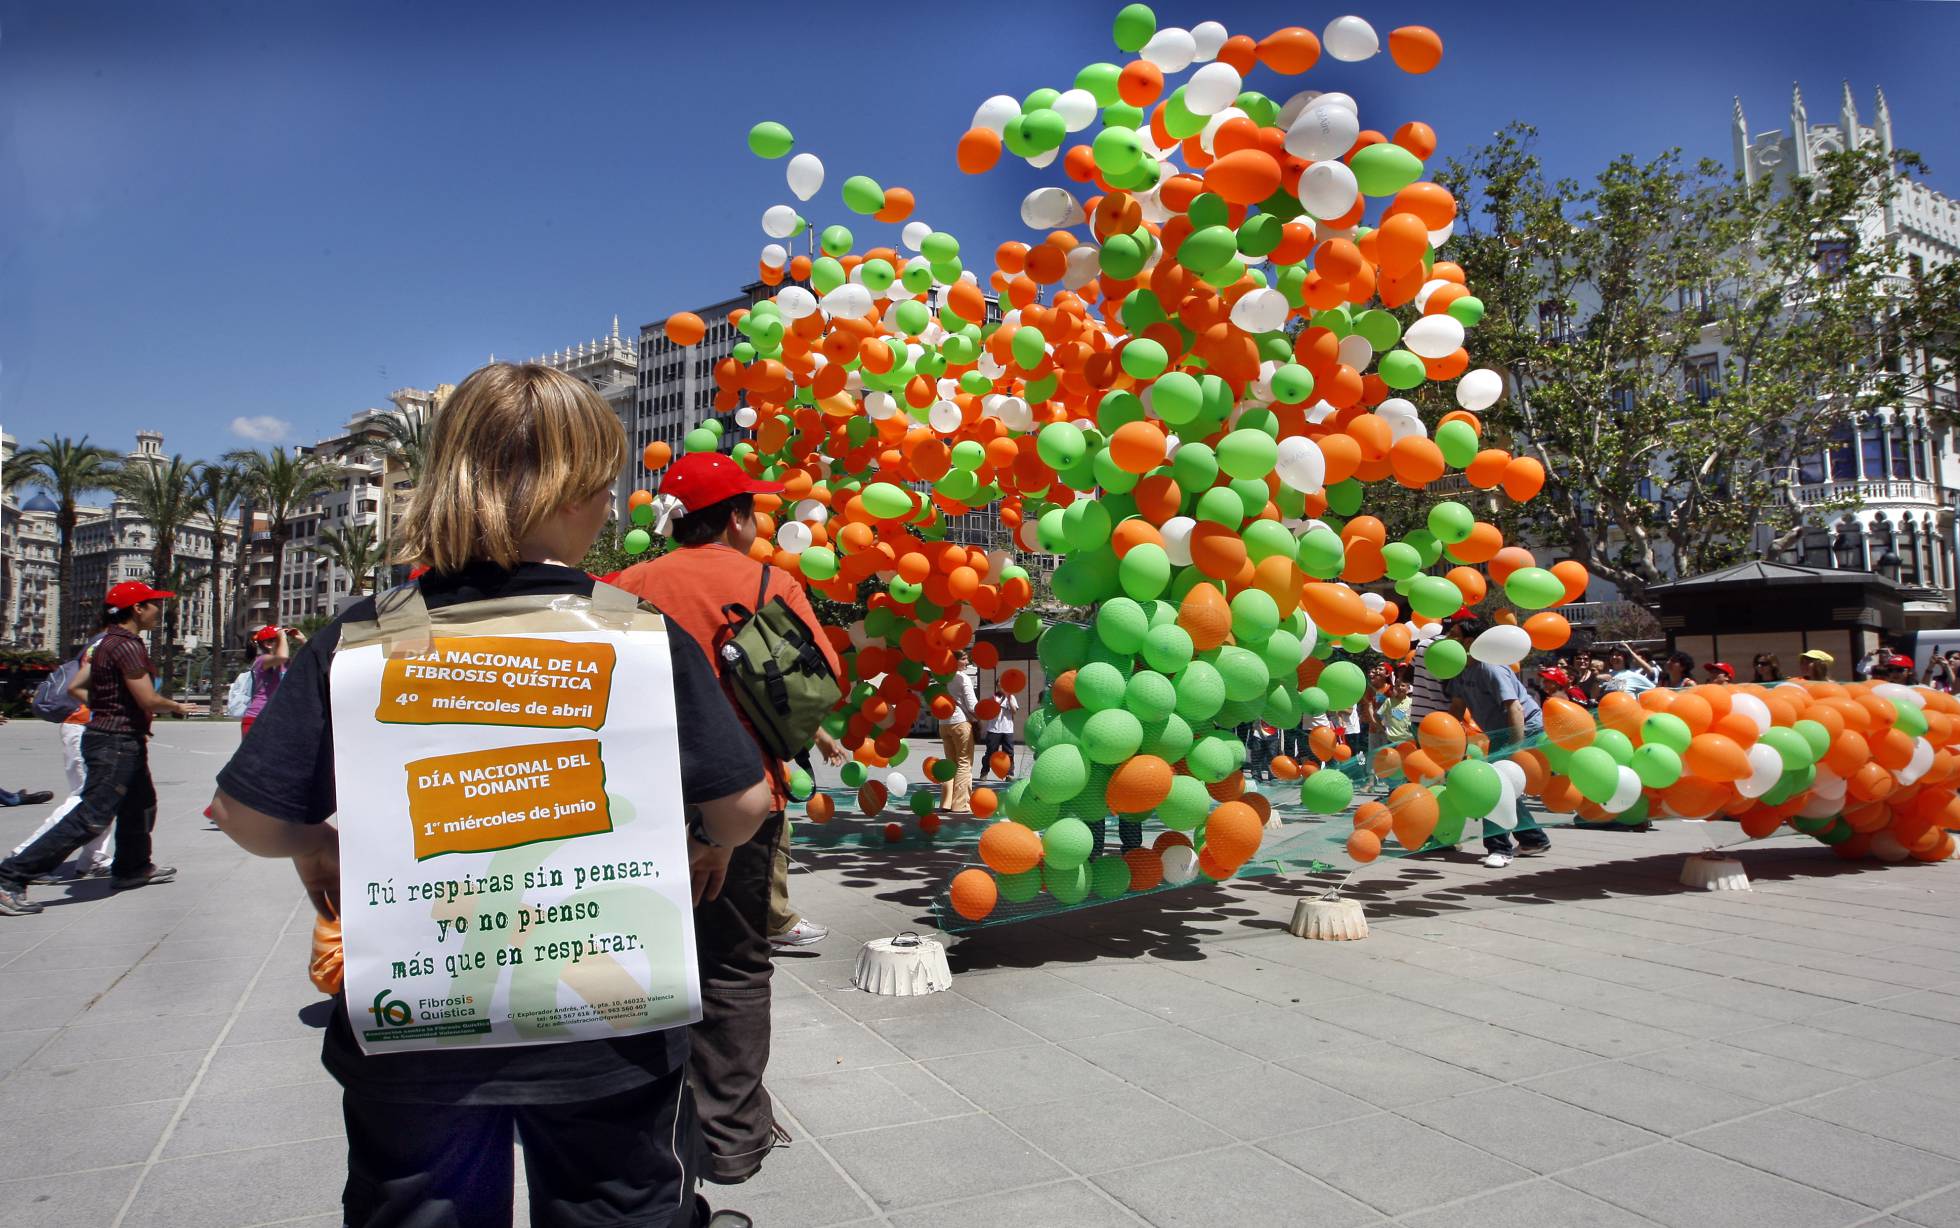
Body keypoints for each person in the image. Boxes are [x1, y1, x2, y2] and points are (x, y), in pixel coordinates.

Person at [208, 362, 773, 1228]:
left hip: (416, 1025)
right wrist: (713, 842)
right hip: (608, 1027)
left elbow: (248, 815)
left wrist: (320, 847)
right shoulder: (634, 633)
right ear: (578, 493)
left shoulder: (366, 636)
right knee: (616, 1205)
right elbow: (742, 805)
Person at [611, 446, 846, 1189]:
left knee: (638, 965)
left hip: (637, 806)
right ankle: (734, 1134)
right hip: (744, 802)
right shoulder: (771, 580)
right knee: (735, 966)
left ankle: (650, 1123)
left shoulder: (621, 586)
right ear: (739, 517)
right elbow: (825, 681)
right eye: (755, 511)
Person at [0, 582, 188, 914]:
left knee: (140, 805)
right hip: (115, 743)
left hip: (115, 736)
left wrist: (108, 706)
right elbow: (147, 699)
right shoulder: (127, 646)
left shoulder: (104, 643)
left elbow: (75, 686)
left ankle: (132, 868)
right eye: (154, 603)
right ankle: (10, 877)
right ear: (138, 609)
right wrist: (175, 706)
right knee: (92, 816)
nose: (160, 609)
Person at [1441, 616, 1549, 869]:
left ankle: (1499, 849)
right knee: (1505, 786)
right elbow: (1458, 707)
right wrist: (1447, 741)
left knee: (1493, 785)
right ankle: (1533, 838)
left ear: (1469, 642)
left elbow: (1514, 708)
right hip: (1499, 731)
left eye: (1453, 635)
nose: (1447, 639)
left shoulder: (1490, 667)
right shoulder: (1460, 669)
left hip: (1522, 727)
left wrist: (1515, 747)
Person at [938, 648, 979, 817]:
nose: (967, 662)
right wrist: (983, 714)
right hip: (961, 723)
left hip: (943, 723)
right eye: (964, 659)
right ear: (955, 660)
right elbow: (971, 705)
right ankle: (961, 804)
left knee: (950, 764)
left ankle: (946, 802)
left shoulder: (941, 678)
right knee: (964, 763)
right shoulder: (963, 678)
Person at [241, 625, 291, 738]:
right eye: (280, 640)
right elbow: (282, 656)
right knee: (253, 756)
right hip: (256, 718)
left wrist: (302, 640)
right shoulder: (262, 660)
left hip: (275, 718)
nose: (286, 643)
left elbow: (310, 662)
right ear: (268, 644)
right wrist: (282, 635)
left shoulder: (285, 664)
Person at [980, 682, 1019, 780]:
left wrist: (1009, 699)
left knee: (1009, 753)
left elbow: (1014, 711)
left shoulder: (1011, 697)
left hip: (1007, 729)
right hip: (993, 729)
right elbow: (987, 712)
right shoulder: (992, 697)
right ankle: (984, 771)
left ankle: (1009, 773)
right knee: (990, 752)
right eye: (999, 684)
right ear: (997, 686)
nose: (1001, 686)